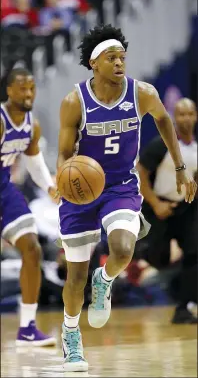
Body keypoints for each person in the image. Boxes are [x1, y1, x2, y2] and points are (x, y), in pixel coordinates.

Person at [56, 24, 197, 372]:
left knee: (121, 249)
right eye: (111, 58)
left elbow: (165, 121)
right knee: (75, 278)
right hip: (81, 191)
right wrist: (65, 176)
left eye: (123, 57)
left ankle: (104, 279)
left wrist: (180, 167)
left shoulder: (142, 93)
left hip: (120, 185)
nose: (120, 63)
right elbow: (63, 156)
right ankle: (71, 334)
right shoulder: (75, 101)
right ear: (94, 63)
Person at [0, 68, 60, 346]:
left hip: (4, 188)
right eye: (22, 88)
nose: (28, 94)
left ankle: (27, 327)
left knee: (32, 249)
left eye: (32, 88)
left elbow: (34, 161)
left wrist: (49, 185)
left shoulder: (31, 125)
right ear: (9, 91)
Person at [136, 98, 197, 324]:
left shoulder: (195, 148)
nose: (186, 118)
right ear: (174, 118)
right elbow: (139, 174)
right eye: (181, 114)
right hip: (158, 206)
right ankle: (140, 253)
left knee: (195, 253)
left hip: (185, 208)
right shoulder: (161, 144)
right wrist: (155, 203)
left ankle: (183, 308)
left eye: (190, 114)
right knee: (159, 258)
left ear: (196, 116)